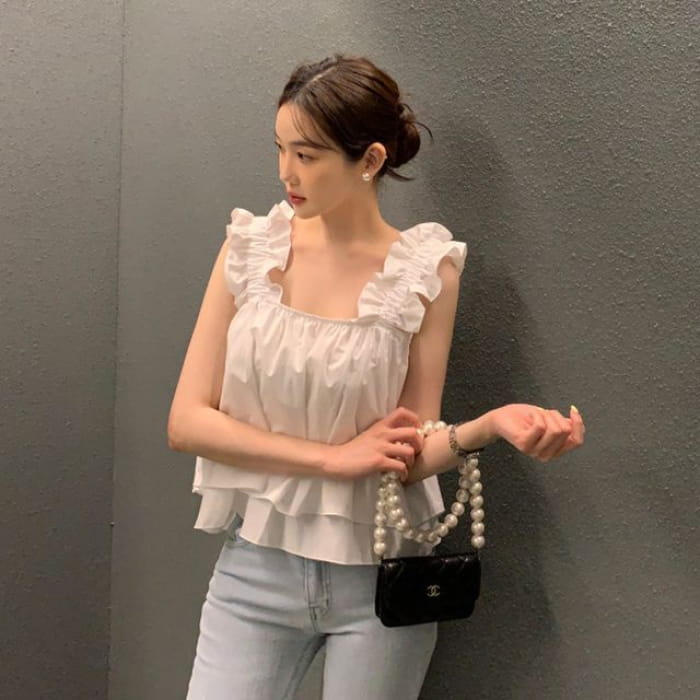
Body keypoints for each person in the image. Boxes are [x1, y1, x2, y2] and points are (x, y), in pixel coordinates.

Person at [167, 53, 585, 700]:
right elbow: (188, 422)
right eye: (280, 149)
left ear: (369, 160)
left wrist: (488, 427)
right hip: (255, 570)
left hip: (382, 581)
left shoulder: (425, 271)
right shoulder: (248, 250)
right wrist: (331, 460)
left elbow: (408, 451)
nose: (286, 173)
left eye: (307, 155)